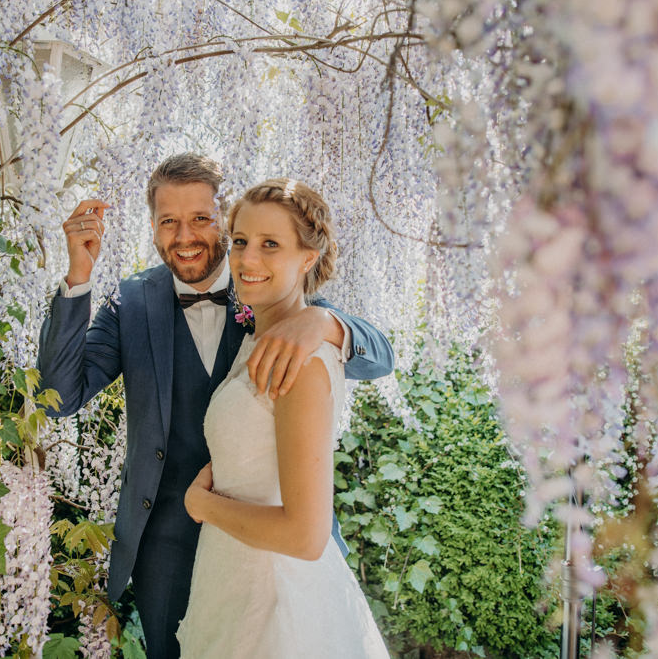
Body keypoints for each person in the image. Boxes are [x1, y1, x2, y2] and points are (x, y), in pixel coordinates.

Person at [37, 154, 394, 658]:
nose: (185, 236)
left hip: (264, 545)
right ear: (154, 228)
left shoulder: (270, 289)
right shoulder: (130, 302)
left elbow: (380, 357)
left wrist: (328, 325)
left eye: (201, 219)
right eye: (169, 221)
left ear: (224, 222)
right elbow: (57, 397)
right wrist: (78, 276)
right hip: (164, 543)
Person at [177, 178, 389, 658]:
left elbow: (306, 536)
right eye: (240, 242)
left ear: (307, 259)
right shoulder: (257, 335)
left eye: (270, 245)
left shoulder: (304, 360)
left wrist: (202, 504)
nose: (247, 260)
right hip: (230, 581)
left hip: (276, 601)